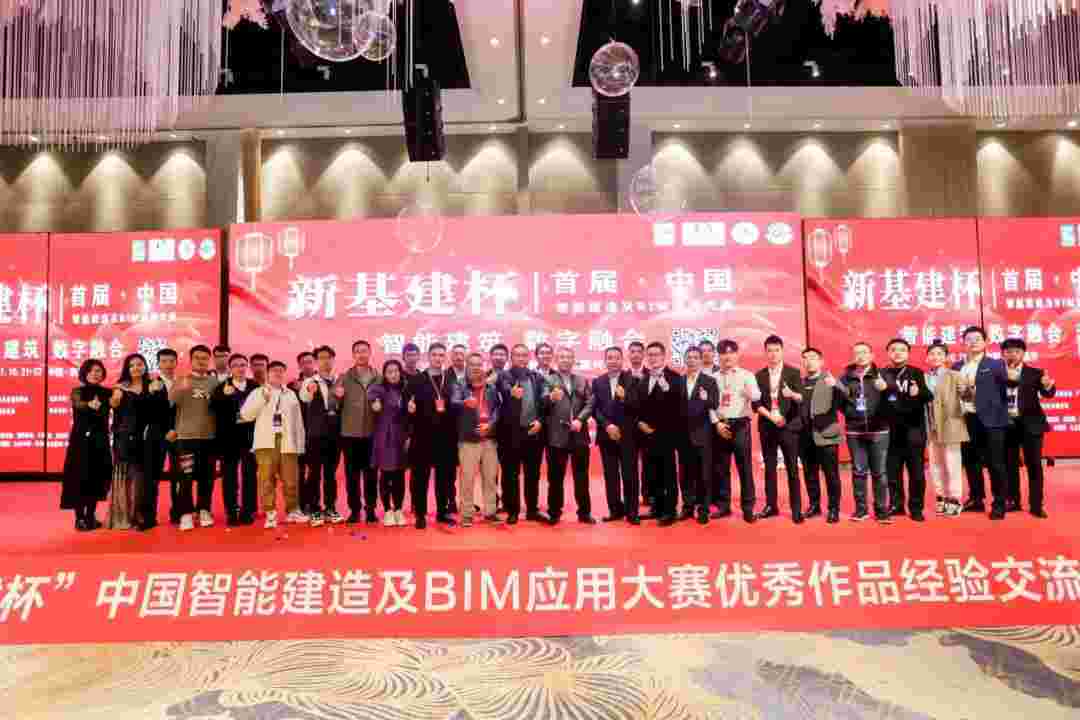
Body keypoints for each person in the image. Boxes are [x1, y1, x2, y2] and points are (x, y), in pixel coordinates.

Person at [240, 361, 308, 529]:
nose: (278, 373)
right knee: (266, 480)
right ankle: (270, 513)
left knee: (291, 479)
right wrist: (263, 399)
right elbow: (246, 415)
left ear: (285, 373)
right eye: (274, 370)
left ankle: (293, 511)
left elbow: (298, 421)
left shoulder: (291, 394)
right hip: (265, 443)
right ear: (268, 373)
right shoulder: (258, 392)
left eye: (281, 370)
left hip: (288, 441)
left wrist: (300, 444)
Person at [954, 326, 1010, 520]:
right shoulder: (957, 366)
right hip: (966, 419)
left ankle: (999, 503)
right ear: (963, 343)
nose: (973, 342)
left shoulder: (996, 364)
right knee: (971, 461)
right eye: (969, 339)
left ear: (986, 342)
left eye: (977, 338)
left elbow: (1007, 386)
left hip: (992, 420)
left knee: (995, 463)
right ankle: (976, 498)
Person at [107, 353, 168, 530]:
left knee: (147, 479)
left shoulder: (155, 384)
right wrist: (115, 399)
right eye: (132, 365)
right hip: (126, 438)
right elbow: (114, 408)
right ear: (127, 368)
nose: (136, 368)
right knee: (128, 478)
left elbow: (162, 411)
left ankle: (144, 516)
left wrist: (156, 392)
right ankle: (126, 516)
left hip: (149, 438)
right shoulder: (120, 387)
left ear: (145, 366)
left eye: (139, 364)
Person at [837, 341, 891, 523]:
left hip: (879, 430)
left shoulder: (882, 374)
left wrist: (886, 389)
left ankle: (881, 510)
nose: (860, 356)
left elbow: (893, 398)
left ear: (872, 355)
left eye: (864, 352)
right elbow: (839, 403)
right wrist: (852, 413)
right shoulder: (845, 378)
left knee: (880, 472)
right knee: (859, 471)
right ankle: (861, 510)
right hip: (855, 431)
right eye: (857, 353)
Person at [752, 335, 804, 522]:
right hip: (768, 426)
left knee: (792, 469)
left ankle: (796, 509)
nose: (773, 354)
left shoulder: (793, 372)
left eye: (776, 350)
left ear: (782, 351)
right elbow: (756, 403)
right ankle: (771, 506)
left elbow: (801, 399)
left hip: (788, 426)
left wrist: (793, 395)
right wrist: (771, 417)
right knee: (770, 468)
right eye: (769, 351)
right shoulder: (759, 375)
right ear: (765, 352)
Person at [1001, 338, 1055, 518]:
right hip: (1007, 425)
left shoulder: (1034, 373)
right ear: (1003, 354)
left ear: (1023, 354)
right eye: (1008, 351)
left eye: (1017, 351)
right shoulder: (997, 373)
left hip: (1031, 424)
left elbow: (1048, 393)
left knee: (1034, 465)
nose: (1012, 354)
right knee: (1009, 465)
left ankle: (1036, 504)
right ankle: (1013, 500)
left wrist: (1048, 385)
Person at [406, 342, 458, 528]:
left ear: (445, 357)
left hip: (446, 437)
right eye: (434, 354)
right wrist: (409, 409)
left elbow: (455, 406)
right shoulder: (417, 379)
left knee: (444, 477)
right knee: (420, 477)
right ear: (428, 356)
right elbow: (406, 404)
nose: (438, 358)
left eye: (441, 355)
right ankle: (420, 514)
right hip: (422, 436)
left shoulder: (450, 379)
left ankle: (442, 513)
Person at [633, 341, 685, 526]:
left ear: (664, 356)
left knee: (668, 474)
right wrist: (639, 423)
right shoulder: (644, 379)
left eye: (656, 354)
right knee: (651, 473)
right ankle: (656, 508)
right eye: (650, 355)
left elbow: (677, 407)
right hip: (646, 435)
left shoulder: (675, 378)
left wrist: (665, 386)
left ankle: (670, 511)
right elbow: (637, 406)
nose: (653, 358)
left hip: (667, 436)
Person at [542, 347, 596, 525]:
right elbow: (542, 402)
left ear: (573, 360)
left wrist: (580, 419)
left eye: (568, 357)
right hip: (556, 436)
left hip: (579, 434)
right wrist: (551, 398)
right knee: (555, 478)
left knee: (582, 477)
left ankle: (584, 513)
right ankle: (554, 513)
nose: (565, 360)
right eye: (562, 357)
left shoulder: (581, 380)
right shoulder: (548, 380)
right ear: (556, 360)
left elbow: (591, 403)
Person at [169, 345, 219, 531]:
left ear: (209, 361)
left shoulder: (214, 383)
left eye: (205, 358)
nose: (201, 361)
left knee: (207, 477)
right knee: (186, 476)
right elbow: (171, 402)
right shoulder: (181, 380)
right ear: (191, 360)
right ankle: (186, 513)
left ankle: (204, 510)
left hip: (209, 438)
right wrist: (182, 388)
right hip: (186, 439)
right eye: (197, 358)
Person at [496, 343, 547, 523]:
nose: (521, 358)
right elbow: (504, 388)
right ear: (511, 358)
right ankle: (513, 511)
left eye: (524, 355)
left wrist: (540, 421)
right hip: (511, 433)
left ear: (529, 358)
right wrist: (511, 392)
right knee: (511, 474)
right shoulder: (504, 376)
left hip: (533, 431)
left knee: (532, 474)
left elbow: (544, 404)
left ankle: (532, 510)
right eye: (517, 355)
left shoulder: (537, 377)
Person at [881, 338, 931, 521]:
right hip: (890, 432)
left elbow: (929, 396)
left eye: (902, 350)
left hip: (914, 430)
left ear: (908, 353)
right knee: (892, 472)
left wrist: (919, 393)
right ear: (888, 352)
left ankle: (916, 507)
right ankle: (896, 505)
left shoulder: (916, 373)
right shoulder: (882, 374)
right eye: (893, 349)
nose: (897, 353)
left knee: (916, 473)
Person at [451, 353, 503, 528]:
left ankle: (490, 512)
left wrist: (491, 424)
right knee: (467, 479)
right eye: (472, 364)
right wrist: (465, 402)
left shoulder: (491, 387)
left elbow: (497, 410)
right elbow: (453, 402)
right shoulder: (459, 385)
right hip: (468, 439)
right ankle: (467, 514)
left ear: (483, 367)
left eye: (479, 365)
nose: (476, 368)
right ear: (467, 366)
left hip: (489, 438)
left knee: (490, 477)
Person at [712, 340, 760, 523]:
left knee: (744, 467)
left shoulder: (747, 375)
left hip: (740, 424)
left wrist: (750, 394)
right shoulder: (713, 378)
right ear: (719, 356)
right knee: (721, 468)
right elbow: (710, 405)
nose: (727, 356)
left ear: (737, 354)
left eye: (731, 352)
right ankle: (723, 506)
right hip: (721, 425)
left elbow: (757, 395)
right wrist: (717, 423)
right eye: (723, 353)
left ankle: (748, 508)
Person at [591, 346, 640, 525]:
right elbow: (595, 409)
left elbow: (638, 406)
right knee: (611, 475)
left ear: (622, 359)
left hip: (628, 436)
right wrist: (607, 426)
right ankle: (615, 510)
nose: (613, 361)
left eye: (616, 357)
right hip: (607, 435)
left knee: (630, 474)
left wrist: (625, 397)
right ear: (605, 361)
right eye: (610, 358)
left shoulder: (633, 380)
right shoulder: (598, 381)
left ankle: (632, 512)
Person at [61, 359, 112, 532]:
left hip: (100, 441)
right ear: (84, 373)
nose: (95, 374)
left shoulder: (107, 392)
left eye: (98, 371)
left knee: (97, 478)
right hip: (81, 442)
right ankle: (79, 518)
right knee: (79, 478)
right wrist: (89, 404)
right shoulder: (78, 392)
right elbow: (78, 404)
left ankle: (90, 515)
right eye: (91, 371)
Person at [210, 353, 259, 526]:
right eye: (236, 365)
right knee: (229, 477)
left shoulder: (255, 387)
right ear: (230, 369)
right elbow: (214, 411)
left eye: (243, 365)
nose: (240, 368)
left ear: (247, 367)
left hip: (250, 438)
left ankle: (248, 510)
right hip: (228, 439)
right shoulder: (221, 388)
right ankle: (231, 511)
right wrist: (224, 397)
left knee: (250, 475)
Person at [795, 348, 843, 524]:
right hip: (805, 436)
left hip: (826, 435)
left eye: (813, 358)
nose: (809, 361)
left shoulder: (829, 380)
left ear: (821, 361)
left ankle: (833, 509)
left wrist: (837, 386)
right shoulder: (799, 383)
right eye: (805, 358)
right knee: (810, 474)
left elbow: (846, 398)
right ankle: (814, 505)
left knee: (831, 475)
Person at [297, 345, 343, 526]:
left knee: (331, 473)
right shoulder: (310, 381)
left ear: (333, 359)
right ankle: (314, 508)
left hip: (335, 434)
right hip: (316, 434)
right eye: (322, 358)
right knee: (314, 473)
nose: (326, 361)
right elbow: (304, 398)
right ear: (317, 361)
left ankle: (330, 507)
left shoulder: (340, 380)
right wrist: (310, 391)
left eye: (328, 357)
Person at [338, 340, 381, 523]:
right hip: (350, 434)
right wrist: (337, 397)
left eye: (364, 351)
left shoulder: (379, 378)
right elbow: (332, 404)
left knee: (371, 475)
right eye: (357, 351)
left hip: (372, 434)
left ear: (370, 353)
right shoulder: (344, 377)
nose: (361, 354)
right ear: (353, 355)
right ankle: (354, 510)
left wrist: (381, 405)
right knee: (352, 476)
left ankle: (370, 509)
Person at [924, 341, 969, 518]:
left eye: (939, 354)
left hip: (951, 424)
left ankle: (955, 498)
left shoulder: (955, 375)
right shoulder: (923, 377)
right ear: (927, 358)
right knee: (935, 464)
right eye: (932, 354)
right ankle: (940, 496)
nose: (935, 357)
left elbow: (968, 396)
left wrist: (966, 390)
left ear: (946, 357)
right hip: (930, 425)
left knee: (952, 463)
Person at [368, 359, 412, 527]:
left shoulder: (406, 388)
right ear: (384, 374)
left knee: (400, 475)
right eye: (389, 372)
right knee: (386, 475)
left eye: (396, 371)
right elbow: (372, 397)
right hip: (385, 436)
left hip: (401, 436)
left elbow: (411, 412)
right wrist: (375, 403)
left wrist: (412, 411)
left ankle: (399, 509)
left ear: (400, 372)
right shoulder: (379, 388)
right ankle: (387, 510)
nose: (393, 374)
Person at [680, 346, 720, 524]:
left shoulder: (709, 381)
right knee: (685, 474)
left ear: (700, 360)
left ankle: (703, 509)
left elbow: (715, 403)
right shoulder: (679, 380)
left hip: (703, 435)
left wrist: (706, 399)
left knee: (704, 474)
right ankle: (687, 507)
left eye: (695, 357)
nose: (692, 360)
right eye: (689, 357)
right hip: (683, 436)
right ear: (685, 359)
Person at [149, 347, 178, 528]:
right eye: (164, 361)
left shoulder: (182, 383)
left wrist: (175, 429)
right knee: (153, 476)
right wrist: (165, 430)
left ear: (176, 363)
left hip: (178, 435)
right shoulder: (150, 384)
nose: (168, 365)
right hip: (157, 436)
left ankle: (178, 512)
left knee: (179, 476)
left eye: (171, 361)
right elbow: (149, 413)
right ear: (158, 364)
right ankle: (149, 515)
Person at [626, 340, 650, 509]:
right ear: (628, 355)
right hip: (629, 428)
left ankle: (648, 496)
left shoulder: (652, 374)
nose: (635, 354)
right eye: (632, 351)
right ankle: (631, 498)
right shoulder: (622, 376)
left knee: (649, 464)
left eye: (638, 351)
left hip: (647, 428)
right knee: (630, 465)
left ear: (643, 355)